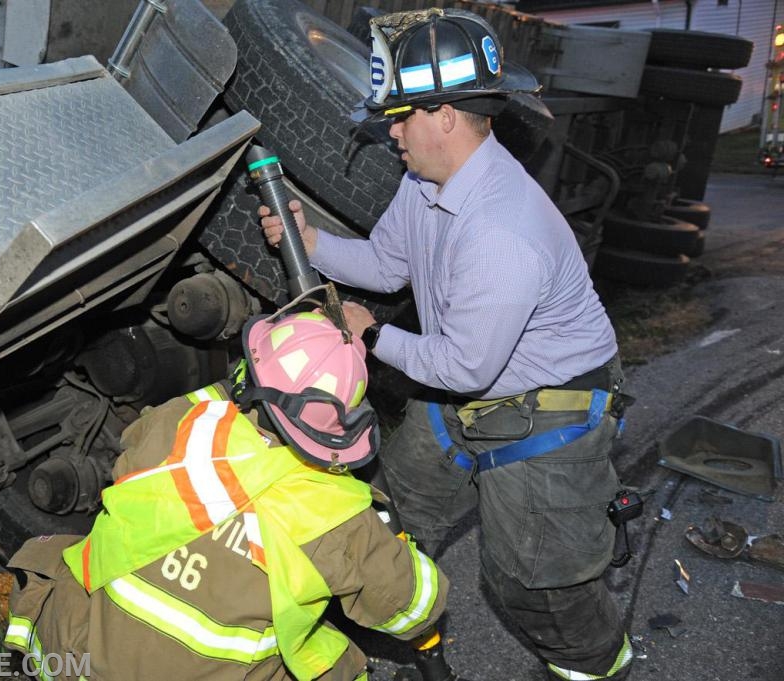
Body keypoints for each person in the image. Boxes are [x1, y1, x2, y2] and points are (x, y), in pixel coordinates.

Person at [259, 9, 634, 681]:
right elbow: (386, 264)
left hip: (549, 406)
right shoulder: (425, 184)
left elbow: (464, 365)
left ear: (447, 116)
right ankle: (419, 650)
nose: (391, 132)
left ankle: (595, 666)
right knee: (393, 514)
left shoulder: (501, 229)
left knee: (533, 582)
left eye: (401, 116)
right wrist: (310, 242)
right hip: (468, 382)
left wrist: (370, 333)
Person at [3, 310, 451, 681]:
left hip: (76, 658)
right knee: (339, 668)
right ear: (341, 425)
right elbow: (413, 609)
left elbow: (191, 414)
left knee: (67, 558)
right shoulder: (337, 518)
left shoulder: (177, 424)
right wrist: (400, 552)